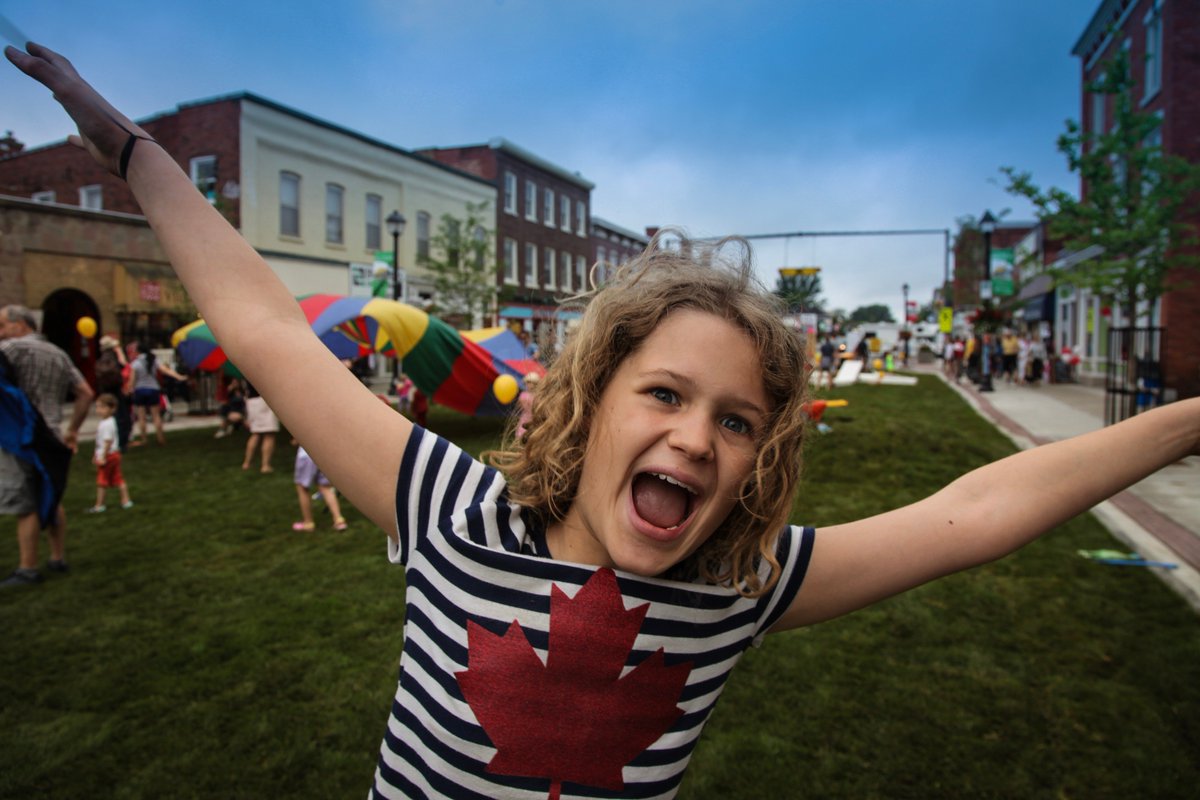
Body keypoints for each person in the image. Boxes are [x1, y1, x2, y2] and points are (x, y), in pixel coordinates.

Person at [10, 43, 1198, 797]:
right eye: (665, 394)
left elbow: (976, 508)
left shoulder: (741, 583)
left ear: (761, 457)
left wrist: (1185, 422)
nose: (696, 437)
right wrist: (127, 145)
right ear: (592, 399)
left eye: (738, 421)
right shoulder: (453, 507)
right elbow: (268, 326)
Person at [0, 302, 94, 588]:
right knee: (51, 494)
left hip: (22, 437)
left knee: (26, 501)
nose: (0, 332)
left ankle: (27, 568)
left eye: (2, 325)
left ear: (21, 325)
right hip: (52, 435)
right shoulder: (58, 353)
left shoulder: (9, 350)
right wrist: (72, 431)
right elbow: (85, 393)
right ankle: (57, 557)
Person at [129, 342, 185, 445]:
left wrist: (129, 389)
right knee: (156, 416)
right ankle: (161, 438)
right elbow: (165, 370)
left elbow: (132, 380)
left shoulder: (135, 363)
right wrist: (178, 376)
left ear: (138, 351)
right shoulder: (154, 360)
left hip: (140, 390)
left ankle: (144, 439)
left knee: (141, 417)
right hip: (153, 389)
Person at [88, 393, 133, 513]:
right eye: (98, 407)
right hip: (113, 454)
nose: (99, 410)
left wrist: (102, 456)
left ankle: (100, 505)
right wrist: (96, 454)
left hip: (108, 455)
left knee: (101, 481)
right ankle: (126, 501)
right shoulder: (109, 422)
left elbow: (107, 441)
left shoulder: (107, 424)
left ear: (112, 408)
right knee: (118, 479)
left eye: (103, 407)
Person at [291, 442, 347, 532]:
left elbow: (297, 440)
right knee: (326, 488)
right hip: (323, 455)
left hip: (306, 455)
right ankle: (339, 520)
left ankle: (308, 523)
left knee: (302, 488)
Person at [94, 334, 133, 449]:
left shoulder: (101, 359)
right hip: (116, 390)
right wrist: (119, 352)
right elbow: (124, 365)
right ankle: (122, 442)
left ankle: (113, 442)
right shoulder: (113, 357)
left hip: (105, 390)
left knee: (112, 416)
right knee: (121, 416)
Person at [241, 380, 277, 472]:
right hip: (263, 400)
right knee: (269, 434)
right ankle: (265, 465)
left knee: (255, 433)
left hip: (251, 401)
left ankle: (246, 463)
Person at [515, 371, 540, 439]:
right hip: (525, 417)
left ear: (536, 384)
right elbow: (519, 406)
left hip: (533, 417)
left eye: (533, 383)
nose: (530, 385)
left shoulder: (537, 396)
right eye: (528, 383)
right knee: (522, 431)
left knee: (533, 434)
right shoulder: (523, 395)